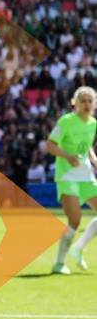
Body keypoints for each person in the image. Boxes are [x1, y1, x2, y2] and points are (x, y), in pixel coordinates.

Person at [46, 86, 97, 274]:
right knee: (75, 220)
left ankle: (78, 248)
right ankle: (59, 263)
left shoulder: (93, 123)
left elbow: (87, 146)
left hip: (86, 175)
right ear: (75, 103)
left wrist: (94, 160)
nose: (87, 104)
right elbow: (50, 145)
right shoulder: (66, 121)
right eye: (83, 101)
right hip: (67, 175)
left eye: (90, 101)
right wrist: (67, 156)